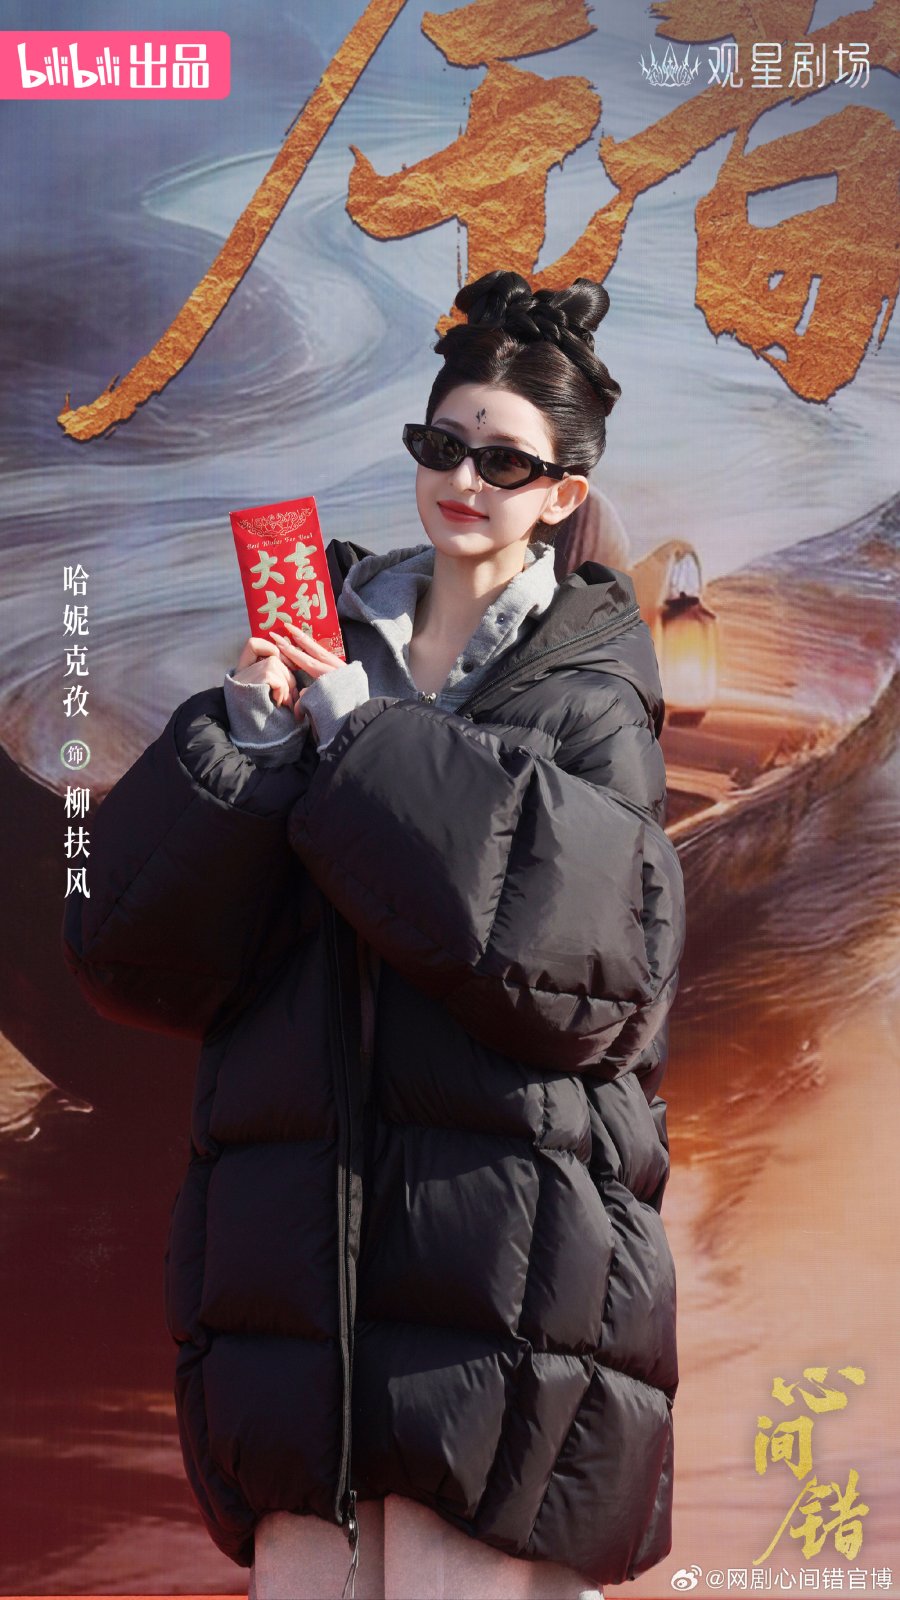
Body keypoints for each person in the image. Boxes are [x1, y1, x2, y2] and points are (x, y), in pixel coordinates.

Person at [62, 270, 686, 1600]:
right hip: (300, 1291)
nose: (463, 480)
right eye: (439, 444)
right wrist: (245, 748)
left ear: (562, 495)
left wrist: (361, 735)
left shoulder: (592, 697)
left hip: (502, 1286)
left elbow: (595, 975)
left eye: (505, 462)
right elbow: (128, 954)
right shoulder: (309, 658)